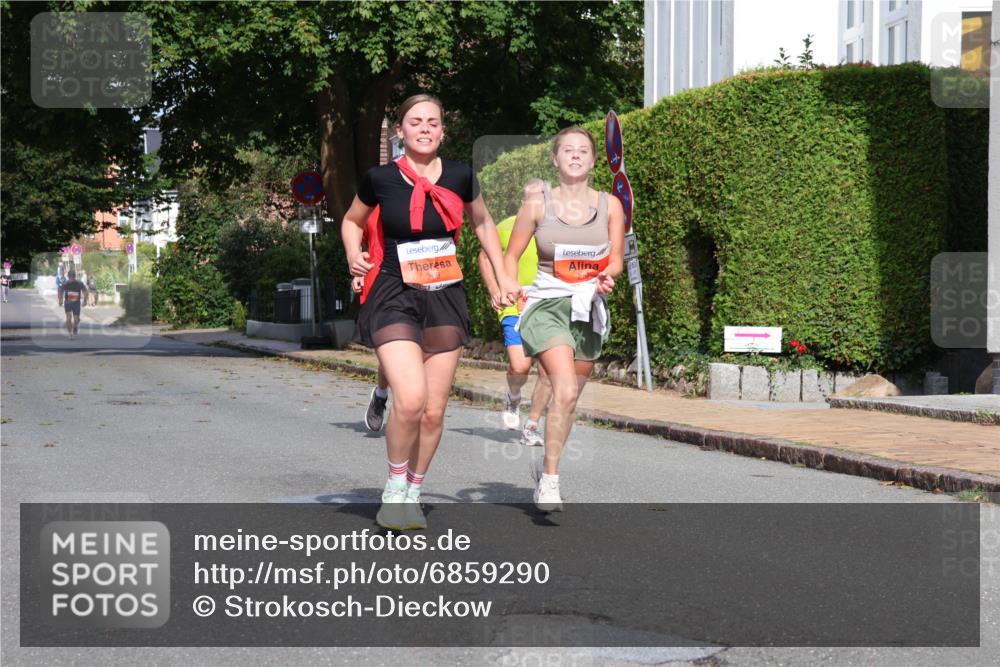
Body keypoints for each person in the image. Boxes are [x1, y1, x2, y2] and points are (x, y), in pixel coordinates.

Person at [341, 93, 520, 530]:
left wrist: (503, 278)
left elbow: (482, 226)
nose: (424, 128)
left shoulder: (461, 176)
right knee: (413, 398)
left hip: (444, 293)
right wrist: (353, 255)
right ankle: (394, 488)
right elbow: (351, 220)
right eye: (415, 121)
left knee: (435, 410)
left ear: (443, 130)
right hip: (392, 291)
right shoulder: (380, 178)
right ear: (400, 131)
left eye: (433, 122)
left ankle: (414, 491)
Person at [504, 126, 625, 512]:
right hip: (547, 305)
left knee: (568, 402)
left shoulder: (611, 206)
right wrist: (508, 286)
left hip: (587, 308)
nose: (575, 155)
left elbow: (618, 257)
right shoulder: (538, 205)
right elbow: (510, 256)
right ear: (555, 159)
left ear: (593, 160)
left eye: (584, 150)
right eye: (568, 150)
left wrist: (610, 275)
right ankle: (552, 482)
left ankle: (546, 467)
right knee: (566, 389)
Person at [477, 179, 552, 446]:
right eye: (533, 199)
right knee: (520, 365)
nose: (539, 204)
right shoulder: (508, 226)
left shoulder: (557, 228)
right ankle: (513, 396)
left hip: (547, 304)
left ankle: (532, 425)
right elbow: (485, 256)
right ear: (523, 203)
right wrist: (495, 290)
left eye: (544, 198)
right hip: (515, 303)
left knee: (547, 372)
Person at [352, 271, 391, 433]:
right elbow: (357, 247)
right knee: (390, 354)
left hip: (426, 280)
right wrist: (357, 270)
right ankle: (381, 395)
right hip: (386, 280)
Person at [58, 269, 89, 339]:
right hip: (68, 302)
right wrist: (60, 299)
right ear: (68, 277)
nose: (71, 279)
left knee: (76, 319)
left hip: (76, 303)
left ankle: (75, 326)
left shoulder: (79, 283)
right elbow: (60, 290)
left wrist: (85, 301)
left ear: (75, 277)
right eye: (70, 278)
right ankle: (70, 334)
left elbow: (86, 291)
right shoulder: (66, 283)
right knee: (68, 318)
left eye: (73, 278)